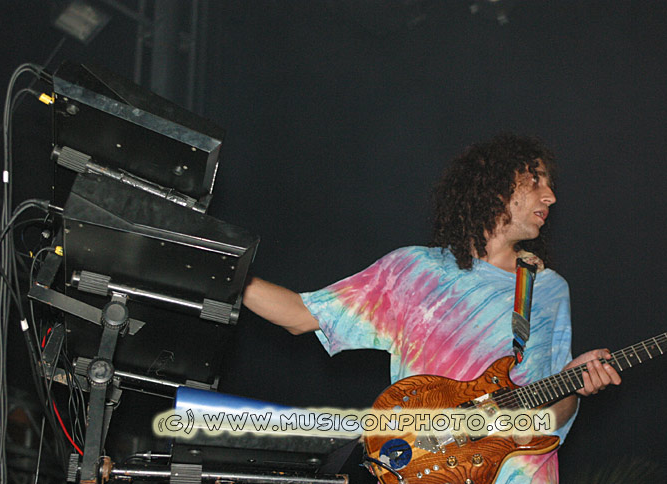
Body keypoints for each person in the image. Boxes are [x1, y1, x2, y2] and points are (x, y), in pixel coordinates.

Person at [242, 133, 621, 483]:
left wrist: (572, 388)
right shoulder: (414, 271)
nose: (550, 196)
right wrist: (229, 273)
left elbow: (553, 415)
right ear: (494, 185)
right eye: (535, 180)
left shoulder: (548, 289)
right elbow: (299, 315)